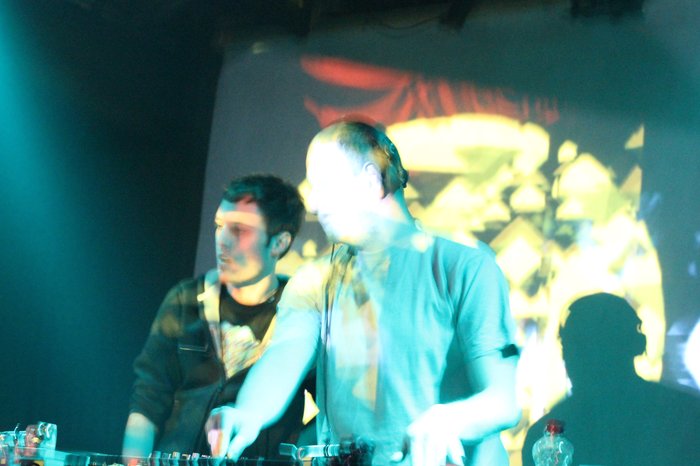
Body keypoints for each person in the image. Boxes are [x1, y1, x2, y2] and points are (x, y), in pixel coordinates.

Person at [205, 120, 521, 466]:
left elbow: (504, 401)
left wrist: (448, 419)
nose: (312, 202)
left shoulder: (464, 267)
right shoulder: (314, 281)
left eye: (322, 183)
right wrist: (246, 414)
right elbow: (284, 357)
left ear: (371, 180)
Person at [122, 174, 310, 460]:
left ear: (279, 243)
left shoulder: (303, 314)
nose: (222, 240)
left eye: (239, 230)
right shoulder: (186, 299)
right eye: (219, 226)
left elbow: (330, 415)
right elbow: (147, 402)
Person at [522, 293, 700, 466]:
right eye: (579, 346)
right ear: (637, 344)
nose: (587, 357)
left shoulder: (545, 440)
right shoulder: (686, 415)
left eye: (581, 346)